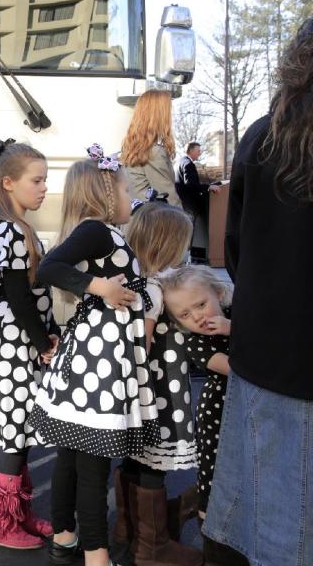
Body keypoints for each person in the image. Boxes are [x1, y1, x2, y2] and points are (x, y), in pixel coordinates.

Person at [203, 17, 313, 566]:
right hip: (284, 359)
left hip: (264, 349)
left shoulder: (262, 136)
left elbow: (235, 248)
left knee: (260, 513)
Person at [31, 145, 158, 566]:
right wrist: (99, 287)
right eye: (125, 189)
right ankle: (96, 554)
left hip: (96, 354)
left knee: (73, 448)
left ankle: (66, 536)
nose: (130, 198)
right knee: (93, 458)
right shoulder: (97, 230)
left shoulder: (106, 232)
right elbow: (49, 267)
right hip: (98, 359)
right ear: (105, 195)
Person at [0, 140, 56, 548]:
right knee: (14, 429)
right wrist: (42, 343)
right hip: (14, 341)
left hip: (14, 337)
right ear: (8, 183)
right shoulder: (12, 230)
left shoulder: (17, 228)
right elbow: (19, 296)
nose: (43, 188)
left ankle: (17, 515)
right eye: (36, 181)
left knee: (18, 426)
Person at [117, 203, 201, 566]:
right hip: (159, 390)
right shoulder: (157, 287)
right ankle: (153, 546)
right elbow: (145, 342)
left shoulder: (136, 282)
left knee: (137, 457)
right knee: (154, 460)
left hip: (143, 391)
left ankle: (128, 533)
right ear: (166, 246)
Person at [158, 266, 239, 564]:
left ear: (218, 293)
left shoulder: (238, 316)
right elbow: (239, 368)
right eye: (184, 315)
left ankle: (187, 506)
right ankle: (211, 542)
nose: (197, 317)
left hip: (253, 412)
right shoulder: (195, 342)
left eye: (201, 304)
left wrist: (233, 326)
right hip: (218, 414)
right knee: (213, 477)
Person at [120, 90, 182, 208]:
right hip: (150, 224)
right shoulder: (154, 153)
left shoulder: (131, 150)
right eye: (167, 112)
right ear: (158, 116)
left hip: (133, 222)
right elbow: (169, 199)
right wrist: (186, 224)